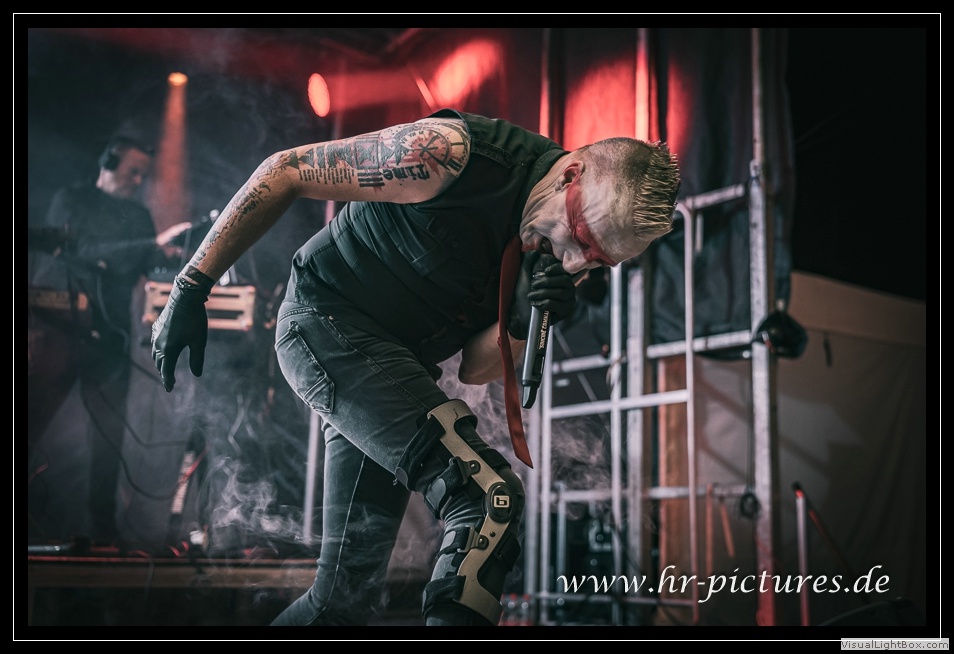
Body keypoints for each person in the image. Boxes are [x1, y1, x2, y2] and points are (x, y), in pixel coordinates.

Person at [150, 108, 680, 626]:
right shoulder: (448, 155)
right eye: (582, 241)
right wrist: (191, 287)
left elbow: (474, 369)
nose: (576, 263)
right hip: (325, 323)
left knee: (343, 603)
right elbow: (285, 170)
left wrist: (519, 320)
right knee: (487, 498)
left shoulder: (565, 245)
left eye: (599, 262)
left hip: (395, 369)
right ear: (570, 175)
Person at [29, 134, 184, 545]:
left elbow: (150, 263)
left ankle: (103, 533)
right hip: (62, 331)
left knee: (109, 438)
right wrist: (150, 244)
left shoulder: (138, 215)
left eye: (143, 174)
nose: (137, 180)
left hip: (110, 340)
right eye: (132, 171)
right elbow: (82, 248)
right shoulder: (72, 199)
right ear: (108, 162)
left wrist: (174, 252)